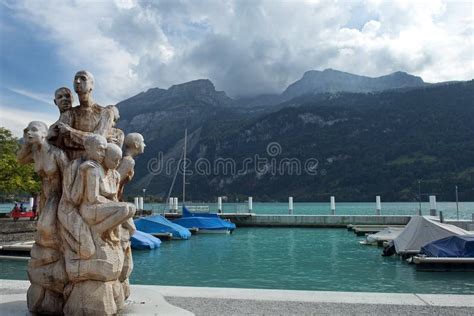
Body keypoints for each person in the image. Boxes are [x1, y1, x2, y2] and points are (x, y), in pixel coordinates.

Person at [58, 70, 114, 159]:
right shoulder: (70, 113)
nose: (77, 81)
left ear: (92, 85)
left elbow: (98, 142)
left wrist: (70, 132)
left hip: (93, 165)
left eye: (83, 78)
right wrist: (92, 139)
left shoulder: (106, 113)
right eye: (75, 79)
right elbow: (64, 142)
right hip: (71, 163)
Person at [116, 133, 146, 201]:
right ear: (136, 144)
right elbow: (116, 180)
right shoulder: (128, 161)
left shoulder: (127, 160)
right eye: (142, 142)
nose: (144, 145)